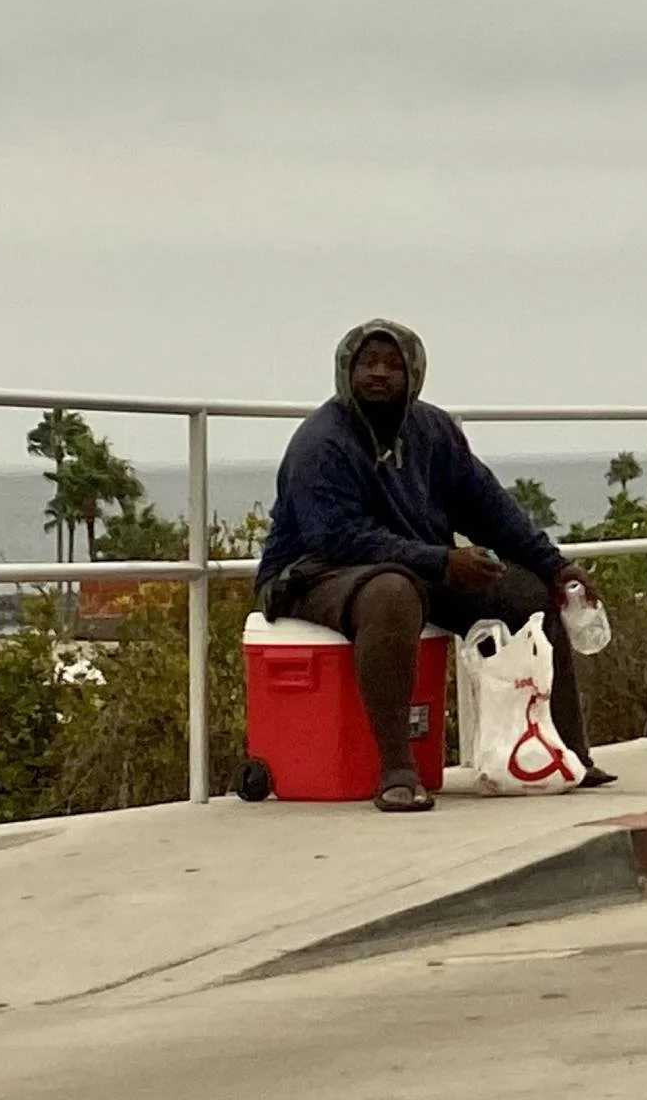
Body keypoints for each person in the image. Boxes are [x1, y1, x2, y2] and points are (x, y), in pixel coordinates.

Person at [256, 319, 617, 811]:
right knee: (391, 595)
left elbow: (487, 506)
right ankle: (397, 772)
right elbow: (337, 537)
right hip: (311, 573)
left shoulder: (433, 429)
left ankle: (567, 753)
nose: (379, 373)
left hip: (414, 564)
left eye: (393, 364)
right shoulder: (321, 442)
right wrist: (441, 559)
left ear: (415, 373)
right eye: (367, 363)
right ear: (346, 370)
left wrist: (555, 567)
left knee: (526, 593)